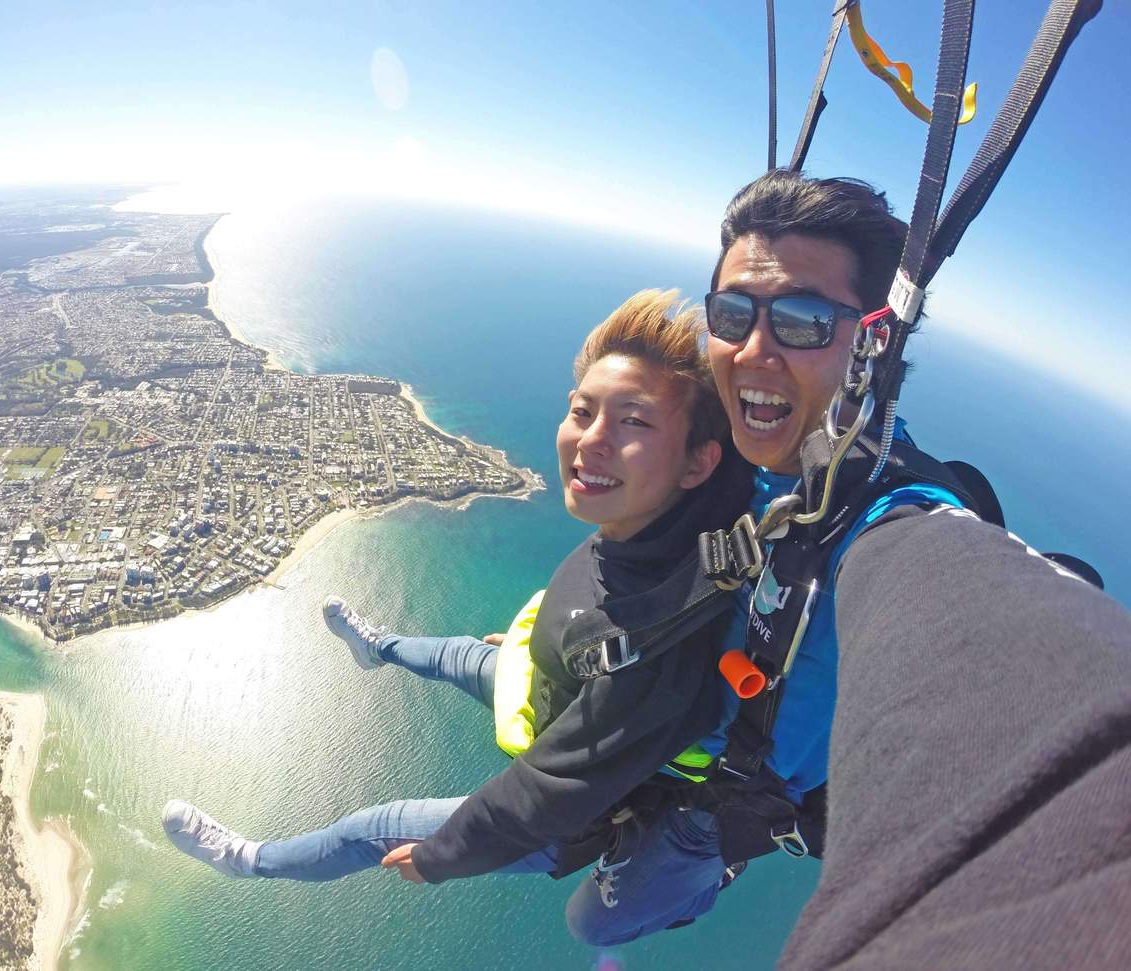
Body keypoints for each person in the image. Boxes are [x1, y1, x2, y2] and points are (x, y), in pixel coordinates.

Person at [162, 289, 755, 943]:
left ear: (698, 462)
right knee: (456, 653)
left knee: (369, 829)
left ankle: (252, 862)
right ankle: (378, 646)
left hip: (575, 815)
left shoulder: (657, 643)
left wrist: (439, 856)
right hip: (559, 687)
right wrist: (553, 648)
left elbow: (549, 790)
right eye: (582, 411)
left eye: (633, 423)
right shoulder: (651, 530)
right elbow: (596, 598)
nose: (591, 440)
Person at [698, 169, 1131, 967]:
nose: (753, 349)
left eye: (799, 320)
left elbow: (958, 599)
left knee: (607, 913)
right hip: (704, 746)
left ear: (872, 343)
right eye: (730, 314)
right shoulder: (723, 446)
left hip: (753, 797)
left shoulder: (890, 518)